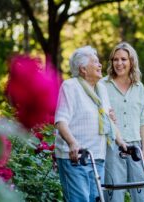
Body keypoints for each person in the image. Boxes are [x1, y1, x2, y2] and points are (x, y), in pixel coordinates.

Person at [54, 46, 126, 202]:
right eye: (95, 62)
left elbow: (108, 120)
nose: (100, 65)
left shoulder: (101, 89)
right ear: (83, 69)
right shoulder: (70, 86)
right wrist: (73, 143)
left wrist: (121, 142)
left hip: (97, 157)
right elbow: (61, 120)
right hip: (74, 157)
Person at [102, 42, 144, 202]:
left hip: (136, 147)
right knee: (114, 194)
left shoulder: (139, 87)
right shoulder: (102, 85)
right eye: (115, 59)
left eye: (123, 59)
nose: (119, 63)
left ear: (131, 61)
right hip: (112, 146)